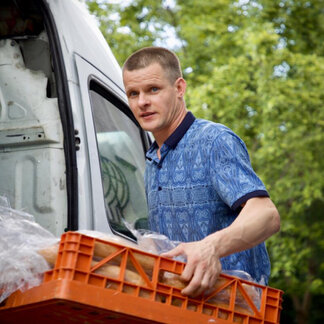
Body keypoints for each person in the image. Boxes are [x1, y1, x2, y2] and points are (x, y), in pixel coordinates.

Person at [122, 46, 280, 298]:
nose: (142, 102)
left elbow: (266, 215)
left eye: (153, 89)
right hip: (181, 308)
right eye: (133, 93)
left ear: (179, 88)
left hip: (236, 309)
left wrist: (211, 247)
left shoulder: (214, 141)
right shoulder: (152, 158)